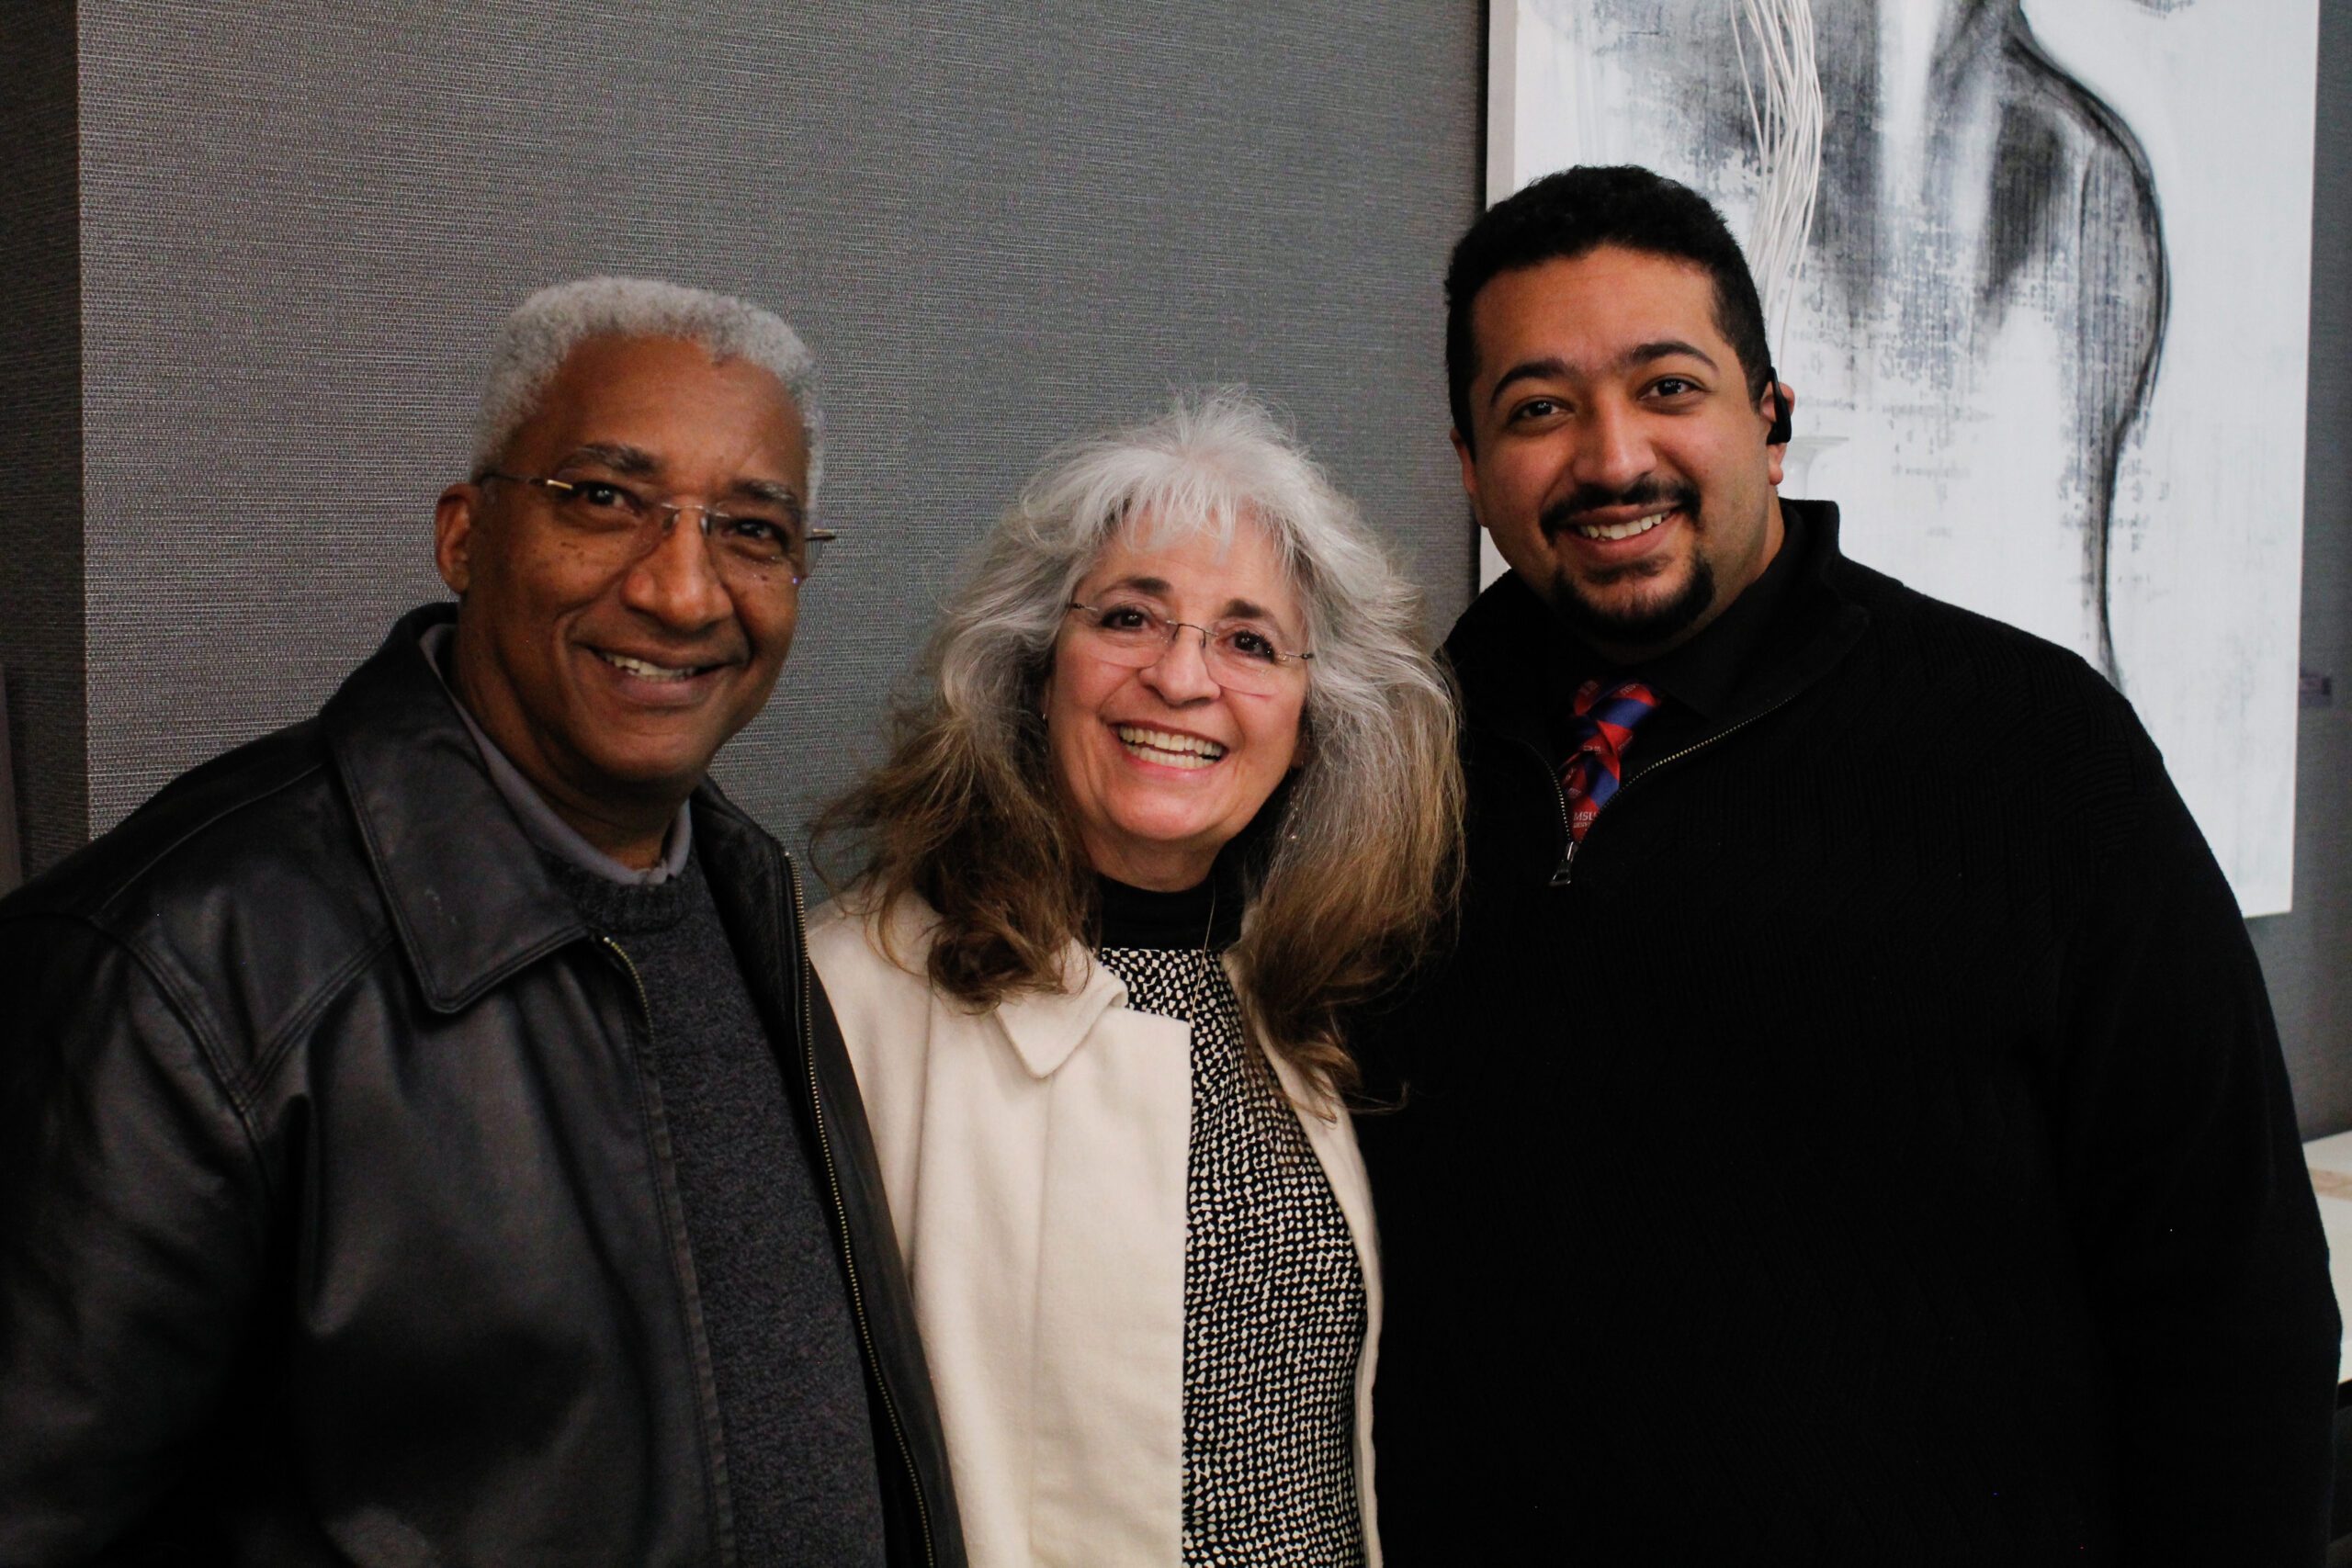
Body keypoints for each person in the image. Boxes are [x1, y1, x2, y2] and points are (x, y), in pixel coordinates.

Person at [1353, 165, 2338, 1563]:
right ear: (1468, 461)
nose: (1612, 455)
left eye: (1671, 387)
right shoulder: (1390, 765)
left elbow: (2235, 1302)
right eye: (1538, 408)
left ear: (1772, 416)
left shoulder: (2036, 752)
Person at [0, 277, 963, 1566]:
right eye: (606, 499)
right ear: (465, 534)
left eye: (752, 527)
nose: (684, 590)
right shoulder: (184, 965)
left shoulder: (742, 896)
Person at [808, 392, 1460, 1566]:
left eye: (1249, 641)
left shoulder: (1310, 1002)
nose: (1180, 679)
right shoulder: (850, 996)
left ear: (1310, 723)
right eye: (1128, 617)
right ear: (1033, 668)